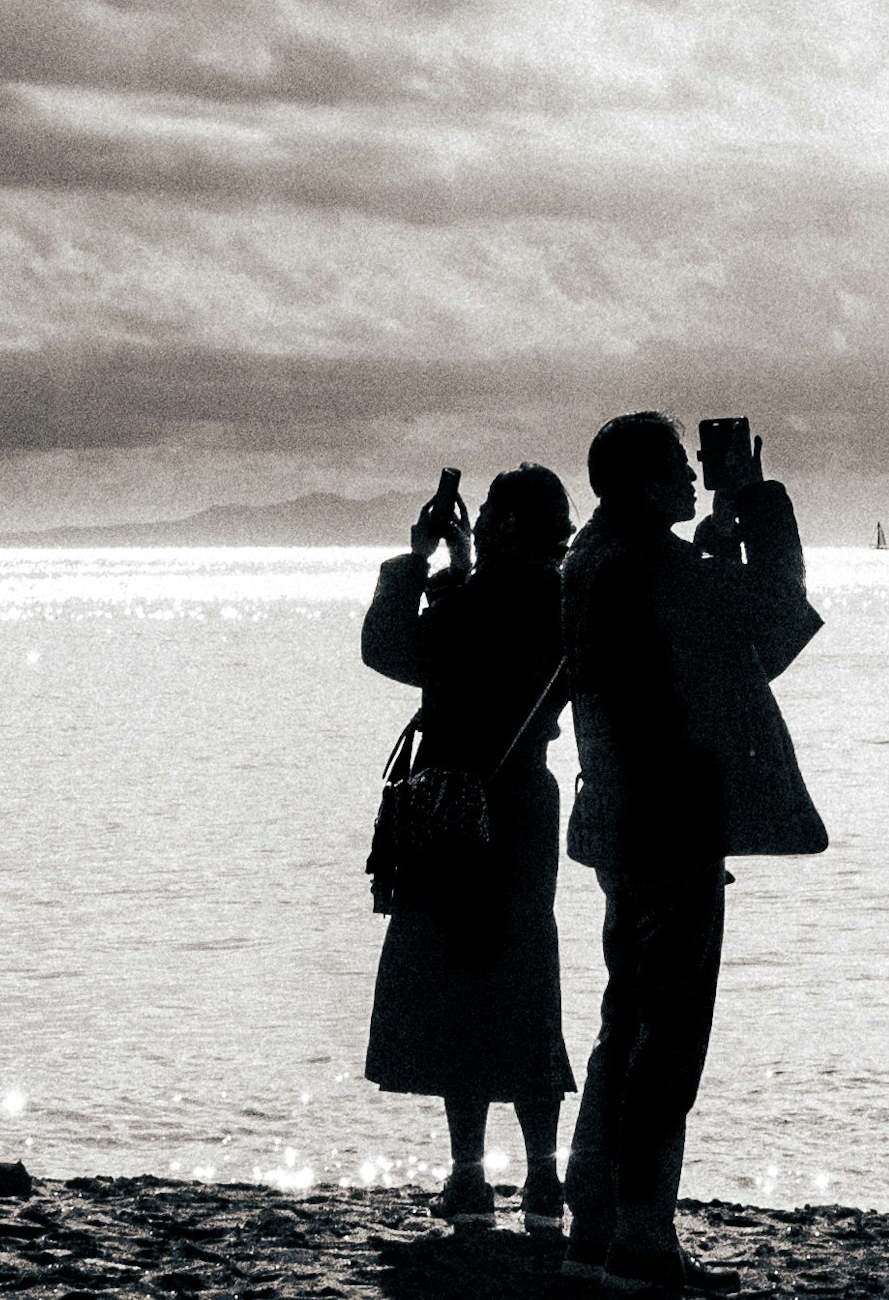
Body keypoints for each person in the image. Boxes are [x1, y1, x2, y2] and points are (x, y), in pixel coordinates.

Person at [559, 415, 824, 1296]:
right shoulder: (655, 567)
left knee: (620, 1028)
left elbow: (701, 640)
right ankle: (642, 1235)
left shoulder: (595, 558)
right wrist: (754, 500)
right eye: (677, 466)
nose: (689, 474)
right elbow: (775, 620)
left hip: (619, 822)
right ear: (638, 484)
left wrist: (709, 551)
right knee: (668, 1038)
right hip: (672, 823)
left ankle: (591, 1227)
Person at [362, 463, 579, 1234]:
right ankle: (547, 1179)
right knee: (524, 979)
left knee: (460, 981)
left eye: (489, 513)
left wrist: (418, 559)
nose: (480, 521)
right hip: (525, 803)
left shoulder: (475, 604)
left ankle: (468, 1176)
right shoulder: (565, 600)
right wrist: (459, 566)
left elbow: (391, 649)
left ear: (510, 525)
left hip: (453, 804)